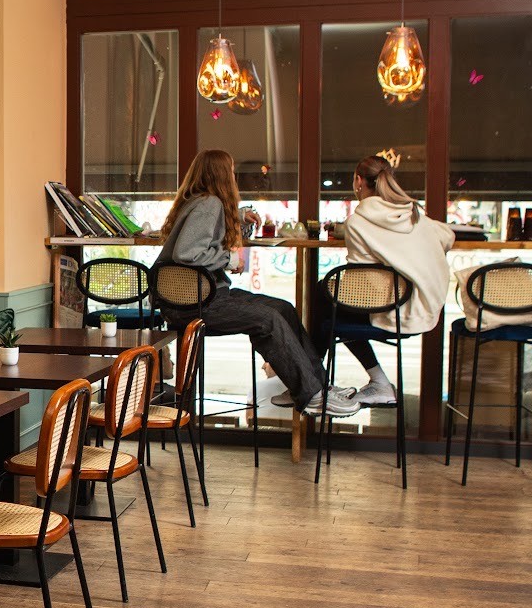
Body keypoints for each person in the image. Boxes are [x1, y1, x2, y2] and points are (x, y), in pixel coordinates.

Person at [155, 148, 358, 417]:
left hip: (202, 298)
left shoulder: (199, 201)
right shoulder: (209, 204)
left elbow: (201, 233)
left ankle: (316, 387)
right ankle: (311, 395)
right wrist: (229, 259)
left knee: (283, 308)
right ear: (221, 174)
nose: (234, 175)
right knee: (268, 319)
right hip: (195, 305)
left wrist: (237, 216)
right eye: (231, 170)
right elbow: (187, 253)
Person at [314, 155, 454, 407]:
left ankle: (311, 382)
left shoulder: (357, 221)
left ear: (358, 181)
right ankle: (312, 380)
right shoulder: (412, 215)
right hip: (417, 305)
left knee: (323, 300)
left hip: (386, 308)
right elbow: (447, 235)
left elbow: (358, 275)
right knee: (327, 303)